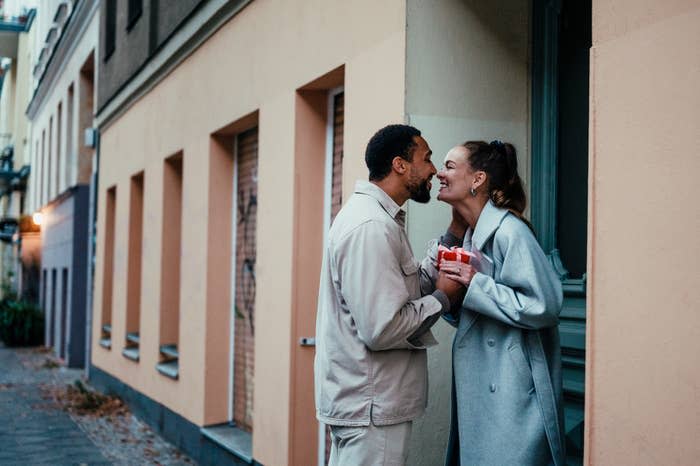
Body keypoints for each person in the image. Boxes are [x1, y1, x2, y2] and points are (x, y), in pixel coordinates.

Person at [314, 124, 466, 466]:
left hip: (368, 406)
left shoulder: (379, 220)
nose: (434, 170)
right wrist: (444, 298)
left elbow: (405, 289)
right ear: (400, 165)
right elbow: (382, 328)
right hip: (371, 409)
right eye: (426, 159)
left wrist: (454, 234)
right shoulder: (371, 227)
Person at [433, 140, 565, 466]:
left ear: (477, 179)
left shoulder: (510, 232)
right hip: (485, 386)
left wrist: (475, 282)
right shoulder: (467, 236)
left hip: (511, 393)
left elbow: (545, 305)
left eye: (450, 166)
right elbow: (474, 316)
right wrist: (454, 296)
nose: (439, 173)